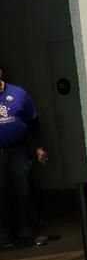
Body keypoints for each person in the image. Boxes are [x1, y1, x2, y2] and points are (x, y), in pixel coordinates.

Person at [0, 67, 48, 248]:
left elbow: (34, 122)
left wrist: (40, 147)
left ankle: (36, 232)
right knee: (2, 194)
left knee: (25, 190)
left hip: (18, 149)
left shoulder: (19, 94)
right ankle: (7, 237)